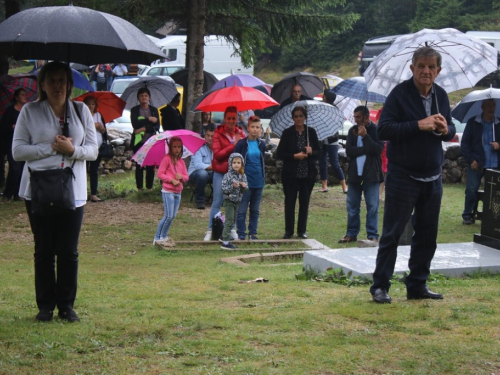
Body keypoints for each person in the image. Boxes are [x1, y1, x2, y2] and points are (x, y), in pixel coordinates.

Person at [12, 61, 98, 322]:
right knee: (44, 248)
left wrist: (73, 151)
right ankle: (45, 305)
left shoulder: (81, 111)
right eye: (52, 81)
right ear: (43, 85)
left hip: (72, 189)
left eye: (62, 80)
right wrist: (51, 148)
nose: (58, 86)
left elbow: (92, 150)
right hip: (38, 188)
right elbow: (18, 152)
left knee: (69, 250)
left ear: (69, 84)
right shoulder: (30, 111)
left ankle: (66, 305)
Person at [370, 46, 456, 304]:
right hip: (403, 175)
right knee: (393, 233)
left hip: (432, 175)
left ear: (438, 71)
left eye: (431, 67)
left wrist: (443, 129)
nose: (426, 71)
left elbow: (450, 131)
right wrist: (419, 125)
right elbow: (382, 130)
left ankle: (417, 283)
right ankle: (380, 286)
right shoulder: (398, 94)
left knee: (428, 234)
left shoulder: (441, 95)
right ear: (412, 68)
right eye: (421, 66)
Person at [339, 106, 384, 244]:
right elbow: (349, 151)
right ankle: (351, 233)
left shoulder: (376, 130)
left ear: (366, 117)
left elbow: (378, 149)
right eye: (355, 117)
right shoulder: (353, 131)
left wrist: (365, 136)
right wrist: (365, 149)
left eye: (358, 117)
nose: (356, 119)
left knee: (372, 206)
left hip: (371, 174)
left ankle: (372, 234)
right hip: (354, 174)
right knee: (352, 205)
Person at [276, 106, 320, 239]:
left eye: (301, 116)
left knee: (304, 202)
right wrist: (295, 156)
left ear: (305, 117)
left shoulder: (310, 132)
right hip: (291, 175)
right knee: (290, 202)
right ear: (293, 118)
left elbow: (319, 152)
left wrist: (311, 151)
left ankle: (302, 231)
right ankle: (288, 230)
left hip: (307, 174)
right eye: (296, 116)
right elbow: (280, 153)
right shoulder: (288, 133)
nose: (299, 118)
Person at [204, 106, 246, 241]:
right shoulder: (217, 134)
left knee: (234, 201)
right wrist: (233, 145)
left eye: (234, 118)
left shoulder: (241, 134)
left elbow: (244, 153)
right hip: (221, 172)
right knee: (217, 201)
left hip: (235, 174)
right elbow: (217, 155)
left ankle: (231, 229)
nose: (231, 121)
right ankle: (211, 229)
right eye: (229, 118)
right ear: (224, 119)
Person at [461, 98, 500, 224]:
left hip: (495, 164)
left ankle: (493, 216)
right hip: (477, 163)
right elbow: (465, 144)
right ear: (482, 107)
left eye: (493, 105)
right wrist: (471, 160)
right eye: (488, 105)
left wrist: (499, 145)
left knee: (495, 193)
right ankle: (468, 215)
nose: (491, 108)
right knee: (471, 190)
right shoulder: (473, 122)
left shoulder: (499, 123)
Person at [154, 136, 189, 246]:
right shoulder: (166, 159)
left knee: (173, 216)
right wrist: (171, 180)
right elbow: (160, 174)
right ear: (170, 147)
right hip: (168, 191)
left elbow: (186, 176)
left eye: (179, 147)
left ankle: (164, 235)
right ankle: (157, 237)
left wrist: (181, 177)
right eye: (174, 147)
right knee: (168, 215)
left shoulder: (181, 162)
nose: (177, 149)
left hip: (178, 192)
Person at [235, 115, 266, 240]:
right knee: (242, 210)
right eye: (252, 127)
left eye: (257, 127)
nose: (254, 129)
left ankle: (253, 233)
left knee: (255, 210)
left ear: (260, 129)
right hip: (245, 182)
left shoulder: (261, 144)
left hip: (258, 180)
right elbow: (235, 162)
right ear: (248, 128)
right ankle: (241, 233)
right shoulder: (242, 144)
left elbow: (262, 160)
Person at [318, 89, 348, 194]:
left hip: (332, 139)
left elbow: (338, 124)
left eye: (324, 96)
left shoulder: (334, 110)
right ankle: (324, 186)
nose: (322, 97)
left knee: (335, 163)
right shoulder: (322, 108)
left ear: (328, 97)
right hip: (323, 139)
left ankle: (344, 186)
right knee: (322, 162)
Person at [131, 87, 160, 190]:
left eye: (146, 96)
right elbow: (135, 124)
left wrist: (143, 128)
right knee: (139, 166)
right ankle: (139, 188)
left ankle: (149, 187)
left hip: (151, 142)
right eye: (142, 96)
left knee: (151, 166)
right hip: (139, 142)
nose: (144, 98)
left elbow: (156, 127)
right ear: (138, 98)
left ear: (149, 97)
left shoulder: (154, 110)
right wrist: (149, 119)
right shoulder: (135, 110)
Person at [1, 88, 27, 202]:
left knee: (22, 168)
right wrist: (12, 127)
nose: (24, 96)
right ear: (16, 97)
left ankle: (18, 193)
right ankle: (7, 194)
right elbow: (3, 127)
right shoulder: (10, 111)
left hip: (25, 143)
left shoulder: (26, 111)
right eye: (22, 95)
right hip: (12, 144)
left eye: (25, 94)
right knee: (15, 169)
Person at [220, 152, 247, 249]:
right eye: (234, 162)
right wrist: (232, 187)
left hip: (237, 201)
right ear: (230, 163)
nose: (236, 164)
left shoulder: (242, 175)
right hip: (229, 201)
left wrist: (244, 187)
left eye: (238, 163)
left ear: (242, 164)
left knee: (233, 220)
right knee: (229, 219)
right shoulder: (227, 175)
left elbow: (245, 188)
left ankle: (224, 235)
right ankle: (225, 243)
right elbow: (223, 189)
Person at [83, 96, 107, 202]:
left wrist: (102, 129)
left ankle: (93, 194)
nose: (91, 106)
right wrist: (93, 125)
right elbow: (81, 128)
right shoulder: (82, 115)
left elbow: (104, 132)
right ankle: (83, 193)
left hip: (97, 147)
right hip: (84, 146)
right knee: (83, 171)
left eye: (93, 104)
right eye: (88, 104)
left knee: (94, 171)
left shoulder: (98, 115)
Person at [188, 125, 214, 209]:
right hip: (195, 173)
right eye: (208, 135)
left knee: (221, 174)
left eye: (212, 136)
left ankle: (218, 199)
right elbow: (198, 165)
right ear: (204, 136)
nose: (210, 138)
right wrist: (214, 167)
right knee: (202, 174)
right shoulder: (198, 146)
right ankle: (200, 200)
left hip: (211, 173)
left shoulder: (217, 148)